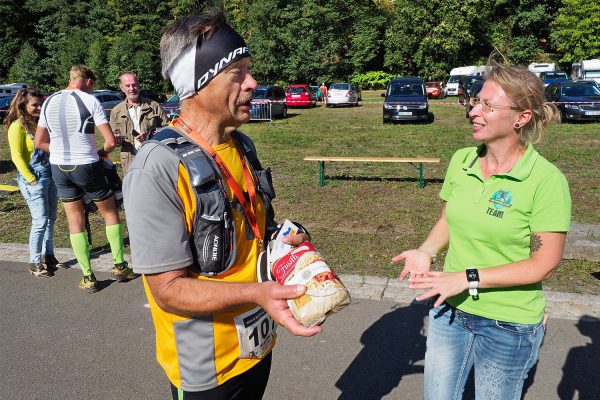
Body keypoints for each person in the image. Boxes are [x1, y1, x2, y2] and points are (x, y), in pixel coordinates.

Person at [123, 11, 321, 400]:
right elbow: (169, 290)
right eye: (238, 72)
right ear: (197, 83)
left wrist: (285, 238)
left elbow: (252, 232)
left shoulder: (241, 145)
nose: (253, 82)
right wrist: (258, 293)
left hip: (257, 349)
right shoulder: (157, 167)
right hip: (206, 371)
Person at [392, 62, 571, 399]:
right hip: (450, 309)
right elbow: (449, 219)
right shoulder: (462, 160)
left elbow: (543, 262)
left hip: (509, 324)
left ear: (522, 117)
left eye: (488, 106)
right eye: (475, 102)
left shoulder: (546, 181)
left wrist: (467, 277)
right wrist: (426, 251)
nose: (474, 111)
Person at [34, 65, 135, 292]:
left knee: (74, 221)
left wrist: (60, 152)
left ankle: (88, 277)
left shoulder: (49, 101)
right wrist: (98, 154)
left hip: (59, 167)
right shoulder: (89, 101)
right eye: (93, 85)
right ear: (87, 81)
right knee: (109, 212)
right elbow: (109, 142)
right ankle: (119, 266)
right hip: (86, 165)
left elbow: (39, 142)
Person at [5, 88, 65, 277]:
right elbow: (17, 156)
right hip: (33, 178)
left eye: (41, 104)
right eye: (34, 105)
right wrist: (31, 180)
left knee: (50, 219)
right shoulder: (17, 126)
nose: (39, 107)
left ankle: (49, 256)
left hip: (50, 175)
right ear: (23, 105)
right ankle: (34, 261)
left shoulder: (40, 124)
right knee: (40, 221)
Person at [109, 71, 166, 173]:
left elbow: (167, 130)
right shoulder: (116, 112)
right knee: (133, 187)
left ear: (139, 85)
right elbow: (115, 140)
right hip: (130, 159)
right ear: (121, 88)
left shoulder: (154, 106)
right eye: (128, 86)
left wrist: (150, 136)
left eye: (134, 85)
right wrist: (117, 140)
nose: (132, 88)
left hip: (153, 156)